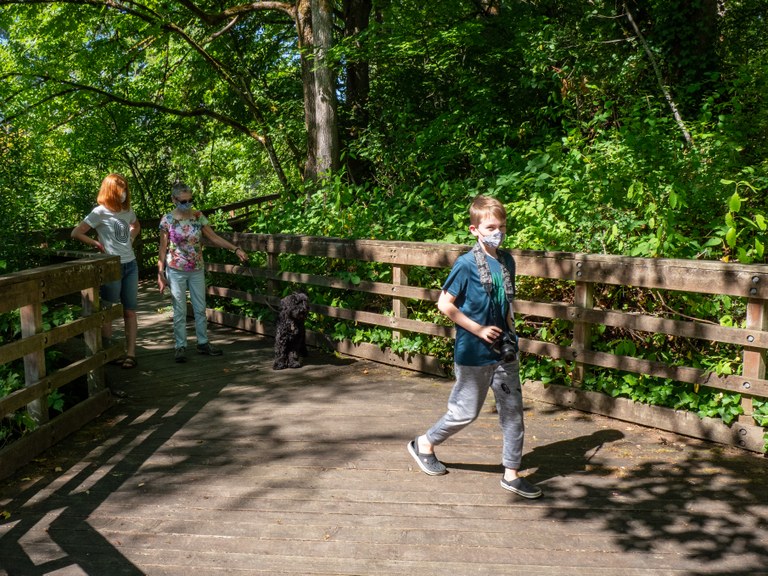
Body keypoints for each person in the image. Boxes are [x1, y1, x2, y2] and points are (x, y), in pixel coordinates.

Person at [407, 195, 542, 499]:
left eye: (502, 226)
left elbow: (505, 303)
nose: (499, 232)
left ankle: (511, 473)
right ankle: (424, 443)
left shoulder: (507, 260)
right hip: (473, 351)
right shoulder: (466, 264)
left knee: (513, 413)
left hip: (504, 350)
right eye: (492, 227)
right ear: (474, 229)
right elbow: (444, 304)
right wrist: (479, 330)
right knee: (465, 412)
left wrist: (511, 334)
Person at [157, 182, 248, 363]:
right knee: (180, 309)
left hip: (197, 268)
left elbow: (213, 237)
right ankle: (180, 346)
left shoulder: (198, 216)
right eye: (183, 201)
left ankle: (203, 343)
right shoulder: (166, 220)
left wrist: (235, 249)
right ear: (174, 200)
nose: (188, 204)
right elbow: (162, 248)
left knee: (200, 308)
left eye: (190, 200)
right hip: (175, 269)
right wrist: (160, 273)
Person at [71, 173, 141, 369]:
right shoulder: (99, 212)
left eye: (125, 190)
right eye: (121, 190)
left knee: (130, 311)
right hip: (111, 266)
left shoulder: (127, 211)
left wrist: (132, 237)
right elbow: (76, 232)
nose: (124, 194)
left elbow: (136, 225)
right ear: (111, 191)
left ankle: (131, 353)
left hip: (131, 265)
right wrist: (96, 243)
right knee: (109, 310)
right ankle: (108, 353)